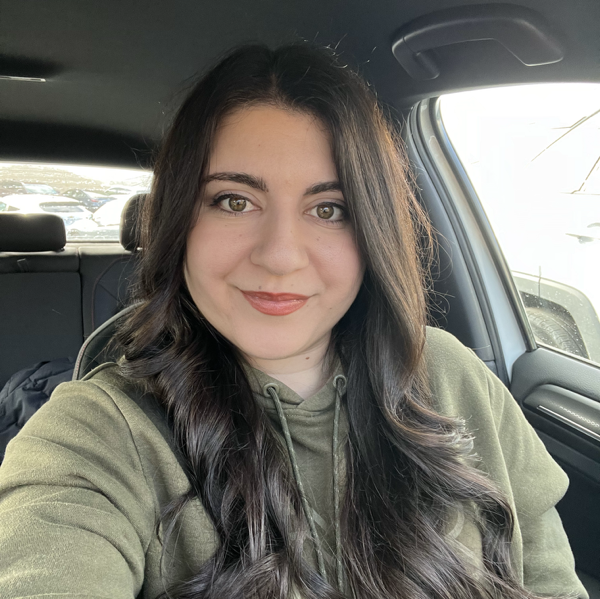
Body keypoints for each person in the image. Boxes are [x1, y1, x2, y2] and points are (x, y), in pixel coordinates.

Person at [0, 44, 588, 599]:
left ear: (372, 232)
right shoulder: (100, 433)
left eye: (329, 209)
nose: (281, 256)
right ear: (179, 221)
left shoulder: (452, 377)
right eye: (234, 201)